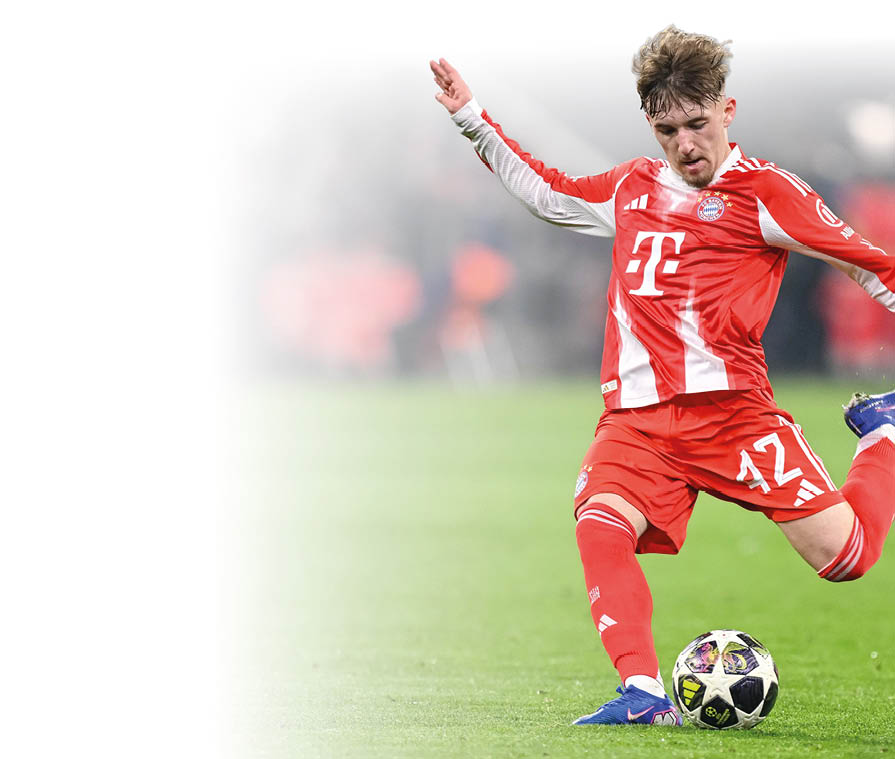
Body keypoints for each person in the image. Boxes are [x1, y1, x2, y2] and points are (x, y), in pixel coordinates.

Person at [430, 25, 895, 726]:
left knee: (847, 557)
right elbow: (549, 195)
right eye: (667, 128)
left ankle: (881, 433)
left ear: (726, 111)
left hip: (733, 416)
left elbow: (871, 263)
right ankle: (644, 693)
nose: (685, 144)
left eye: (697, 124)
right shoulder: (630, 186)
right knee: (599, 523)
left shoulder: (767, 192)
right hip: (637, 421)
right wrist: (471, 118)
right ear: (651, 124)